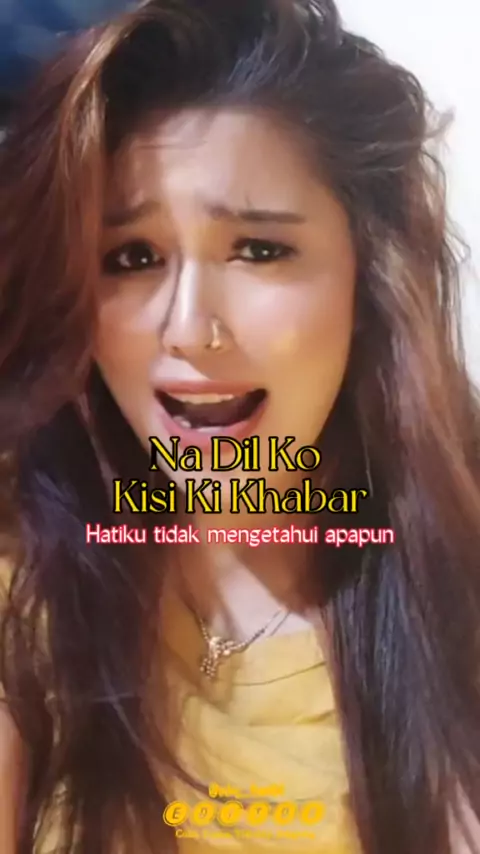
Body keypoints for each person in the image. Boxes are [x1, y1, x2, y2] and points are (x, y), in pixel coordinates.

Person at [0, 0, 479, 851]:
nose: (190, 329)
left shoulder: (452, 601)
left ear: (370, 280)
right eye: (132, 257)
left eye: (259, 249)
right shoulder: (29, 598)